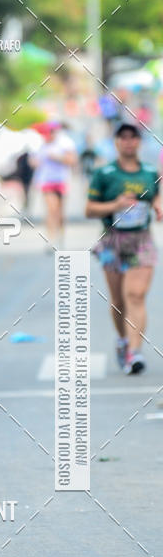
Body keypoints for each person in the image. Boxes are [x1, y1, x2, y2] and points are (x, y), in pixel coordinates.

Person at [87, 122, 161, 375]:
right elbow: (89, 209)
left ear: (139, 142)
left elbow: (157, 196)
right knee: (119, 301)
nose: (129, 142)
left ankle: (135, 351)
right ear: (117, 142)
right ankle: (122, 341)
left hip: (141, 240)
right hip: (112, 240)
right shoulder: (104, 173)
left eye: (133, 137)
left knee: (136, 295)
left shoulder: (150, 172)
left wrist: (159, 206)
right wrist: (115, 205)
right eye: (123, 137)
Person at [31, 121, 76, 247]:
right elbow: (34, 161)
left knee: (60, 212)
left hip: (61, 180)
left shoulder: (65, 143)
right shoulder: (41, 145)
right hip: (46, 181)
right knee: (51, 209)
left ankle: (60, 235)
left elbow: (72, 160)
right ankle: (51, 239)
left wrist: (57, 157)